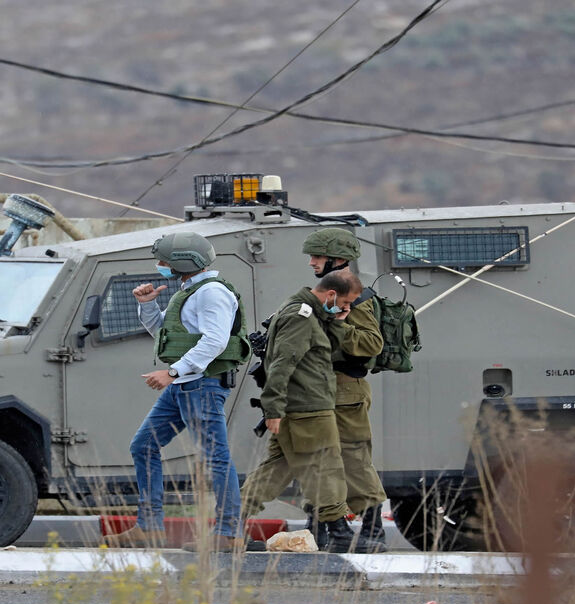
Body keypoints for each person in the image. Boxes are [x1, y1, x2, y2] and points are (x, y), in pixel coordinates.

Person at [106, 232, 247, 551]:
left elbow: (216, 341)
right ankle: (149, 527)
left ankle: (228, 533)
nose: (160, 266)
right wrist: (148, 307)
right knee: (144, 446)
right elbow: (168, 338)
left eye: (165, 261)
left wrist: (172, 372)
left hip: (201, 385)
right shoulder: (190, 291)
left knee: (215, 458)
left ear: (185, 261)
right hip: (185, 384)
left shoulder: (211, 293)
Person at [240, 269, 385, 553]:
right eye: (345, 304)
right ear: (331, 294)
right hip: (308, 408)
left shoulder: (310, 314)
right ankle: (340, 533)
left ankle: (228, 523)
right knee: (327, 468)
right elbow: (282, 364)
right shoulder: (302, 316)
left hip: (305, 406)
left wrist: (337, 321)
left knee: (275, 470)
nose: (346, 309)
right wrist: (273, 407)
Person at [307, 228, 388, 551]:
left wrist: (338, 323)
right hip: (320, 389)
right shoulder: (324, 291)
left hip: (347, 390)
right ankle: (325, 530)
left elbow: (371, 343)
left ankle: (373, 531)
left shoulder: (359, 297)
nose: (312, 262)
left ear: (337, 259)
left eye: (317, 256)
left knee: (355, 461)